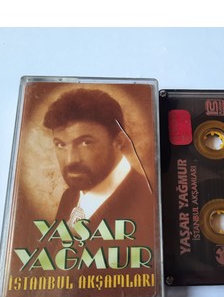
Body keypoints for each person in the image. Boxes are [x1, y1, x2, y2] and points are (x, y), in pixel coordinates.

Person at [43, 88, 154, 239]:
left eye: (86, 143)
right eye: (61, 145)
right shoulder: (69, 196)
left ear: (119, 142)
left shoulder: (148, 203)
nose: (71, 160)